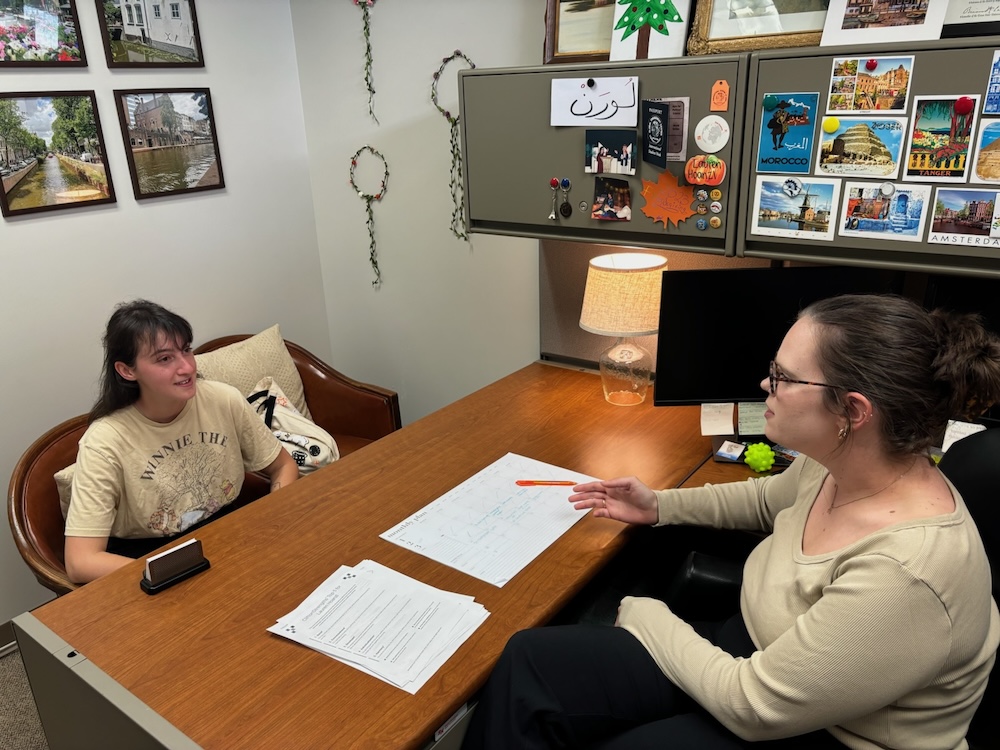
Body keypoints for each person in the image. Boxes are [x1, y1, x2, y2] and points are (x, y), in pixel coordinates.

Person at [462, 294, 1000, 749]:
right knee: (530, 664)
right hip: (751, 649)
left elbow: (756, 705)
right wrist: (660, 506)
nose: (765, 386)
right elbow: (770, 500)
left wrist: (646, 616)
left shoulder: (909, 571)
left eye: (783, 377)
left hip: (825, 729)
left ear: (852, 413)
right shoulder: (839, 466)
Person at [64, 300, 299, 583]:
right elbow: (80, 561)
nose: (187, 367)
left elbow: (283, 465)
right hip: (150, 559)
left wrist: (275, 518)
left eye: (186, 350)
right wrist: (169, 571)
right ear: (127, 370)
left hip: (227, 535)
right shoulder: (104, 441)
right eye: (164, 359)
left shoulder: (223, 399)